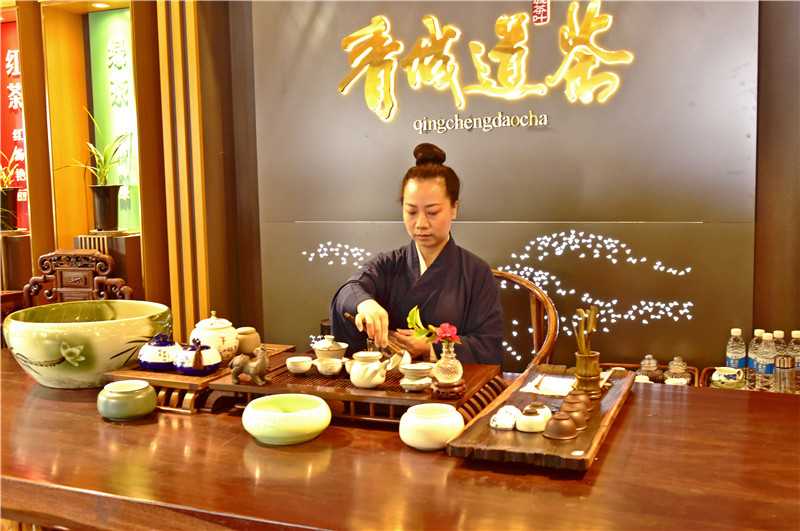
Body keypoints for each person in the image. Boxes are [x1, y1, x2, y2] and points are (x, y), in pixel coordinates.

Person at [330, 143, 503, 365]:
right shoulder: (388, 264)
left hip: (451, 383)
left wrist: (432, 345)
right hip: (389, 383)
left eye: (432, 212)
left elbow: (489, 346)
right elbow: (349, 290)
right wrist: (364, 304)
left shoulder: (476, 273)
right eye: (411, 211)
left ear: (454, 208)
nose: (421, 223)